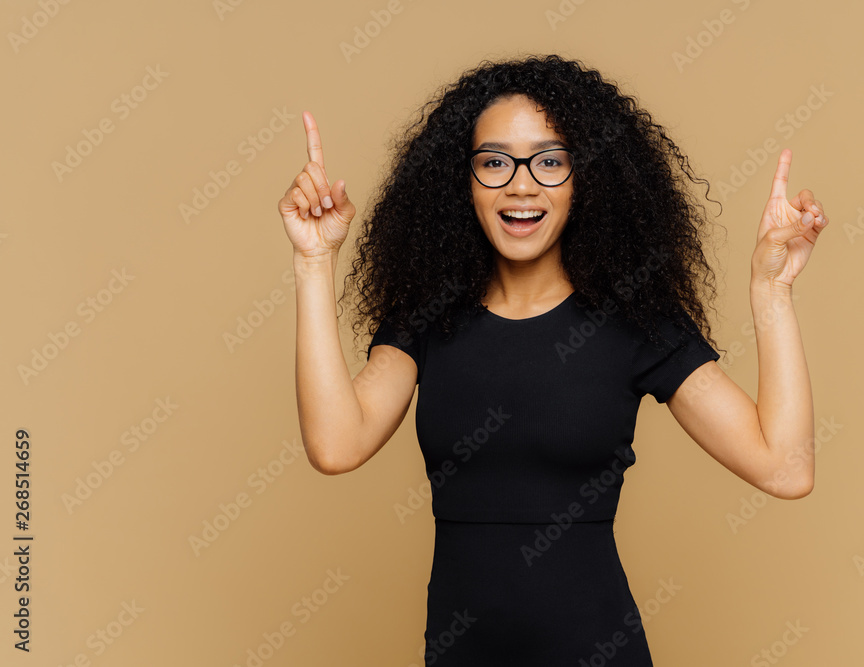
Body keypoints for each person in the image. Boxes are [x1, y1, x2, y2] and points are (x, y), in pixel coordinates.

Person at [277, 54, 829, 666]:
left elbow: (785, 469)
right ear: (460, 182)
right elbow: (335, 446)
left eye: (549, 161)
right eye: (493, 162)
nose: (521, 184)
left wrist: (771, 291)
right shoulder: (428, 318)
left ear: (584, 178)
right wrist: (313, 262)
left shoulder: (634, 325)